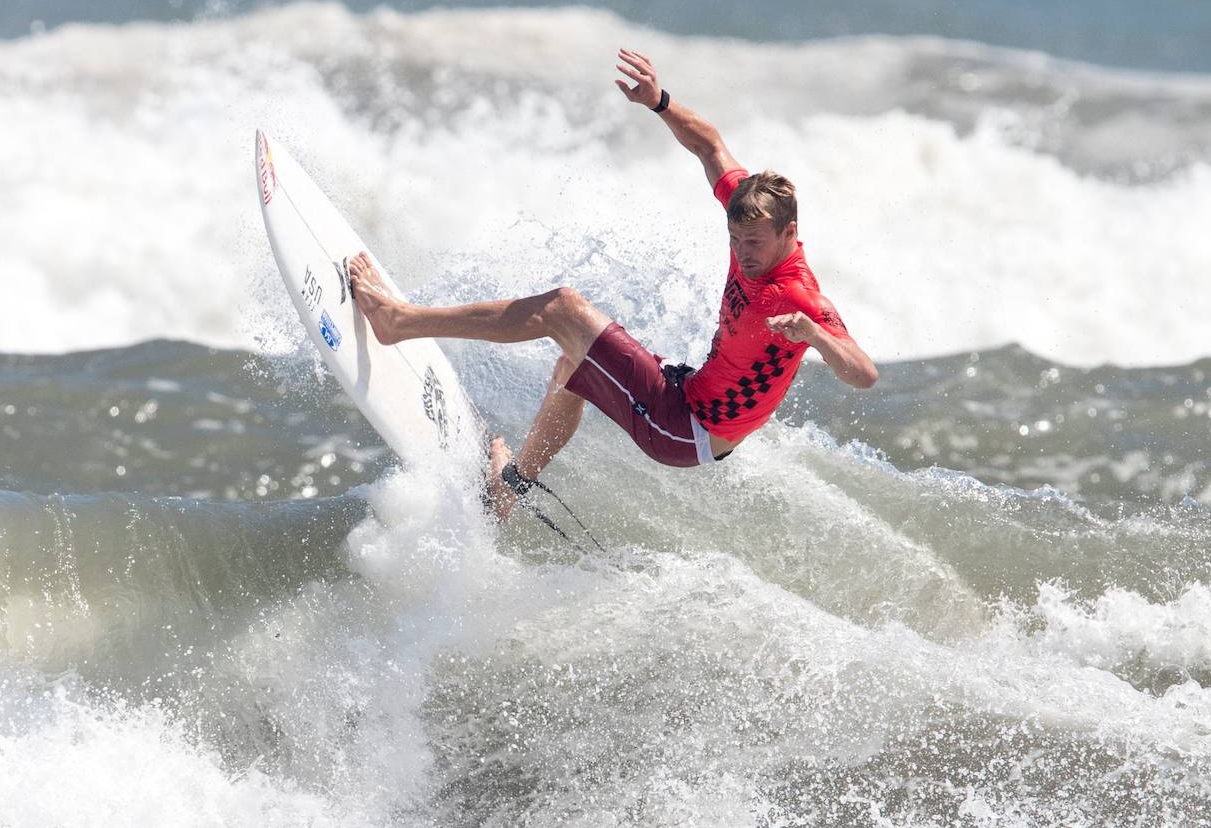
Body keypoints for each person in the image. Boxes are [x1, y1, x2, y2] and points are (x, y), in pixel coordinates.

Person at [347, 49, 878, 520]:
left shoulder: (796, 295)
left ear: (789, 232)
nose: (742, 253)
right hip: (690, 394)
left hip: (685, 429)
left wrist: (812, 333)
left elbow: (863, 373)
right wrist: (660, 101)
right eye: (735, 238)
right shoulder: (751, 211)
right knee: (573, 362)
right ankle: (510, 491)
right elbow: (710, 146)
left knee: (563, 309)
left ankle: (398, 322)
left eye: (754, 244)